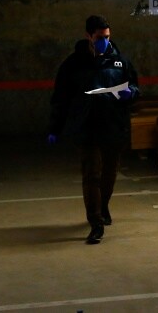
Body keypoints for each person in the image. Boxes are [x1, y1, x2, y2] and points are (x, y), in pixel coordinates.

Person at [48, 15, 139, 244]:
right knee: (91, 176)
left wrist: (131, 94)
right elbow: (61, 99)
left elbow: (135, 86)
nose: (104, 42)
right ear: (89, 36)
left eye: (107, 37)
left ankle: (103, 205)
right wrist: (54, 128)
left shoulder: (120, 62)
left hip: (113, 126)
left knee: (109, 174)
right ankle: (96, 222)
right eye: (100, 38)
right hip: (87, 127)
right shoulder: (72, 65)